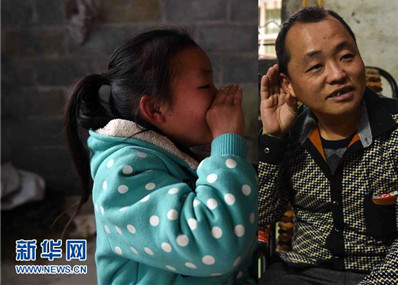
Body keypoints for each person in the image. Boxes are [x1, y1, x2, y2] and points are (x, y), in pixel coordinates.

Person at [258, 7, 398, 284]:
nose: (337, 74)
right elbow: (261, 216)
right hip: (303, 274)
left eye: (346, 56)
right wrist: (272, 139)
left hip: (385, 274)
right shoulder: (287, 137)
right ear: (289, 85)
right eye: (315, 66)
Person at [64, 29, 258, 284]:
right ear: (155, 108)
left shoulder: (170, 154)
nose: (217, 94)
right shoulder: (122, 174)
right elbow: (217, 245)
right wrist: (227, 147)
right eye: (204, 85)